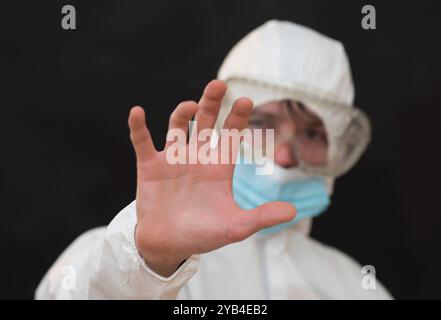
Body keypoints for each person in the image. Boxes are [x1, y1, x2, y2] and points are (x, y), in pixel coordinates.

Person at [36, 20, 392, 299]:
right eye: (262, 124)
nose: (283, 156)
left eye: (312, 134)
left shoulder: (355, 288)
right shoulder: (112, 254)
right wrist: (150, 263)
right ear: (221, 125)